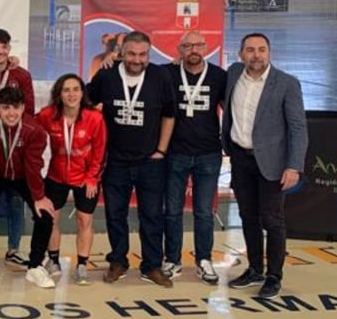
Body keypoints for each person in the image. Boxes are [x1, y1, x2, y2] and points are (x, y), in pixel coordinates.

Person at [86, 31, 176, 287]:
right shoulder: (106, 75)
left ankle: (152, 265)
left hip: (151, 161)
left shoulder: (160, 76)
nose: (137, 60)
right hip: (115, 160)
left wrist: (161, 150)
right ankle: (118, 261)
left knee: (151, 215)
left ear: (149, 53)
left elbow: (169, 115)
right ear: (121, 53)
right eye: (132, 54)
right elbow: (86, 104)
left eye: (142, 54)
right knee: (115, 214)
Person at [223, 33, 308, 299]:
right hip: (240, 159)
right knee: (248, 217)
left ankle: (274, 276)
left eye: (261, 50)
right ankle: (255, 269)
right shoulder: (233, 74)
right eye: (250, 50)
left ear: (269, 53)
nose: (256, 55)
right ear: (240, 54)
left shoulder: (286, 84)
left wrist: (294, 166)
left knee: (272, 220)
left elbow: (297, 128)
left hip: (272, 163)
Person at [0, 87, 56, 288]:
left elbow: (34, 166)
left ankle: (35, 267)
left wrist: (39, 197)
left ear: (23, 108)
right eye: (5, 108)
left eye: (16, 107)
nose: (11, 113)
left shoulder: (35, 130)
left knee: (45, 216)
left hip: (24, 176)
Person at [162, 30, 227, 285]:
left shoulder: (219, 76)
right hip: (176, 152)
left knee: (203, 211)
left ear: (206, 46)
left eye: (197, 45)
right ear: (179, 50)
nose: (193, 50)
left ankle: (204, 259)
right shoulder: (168, 73)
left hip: (209, 153)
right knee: (173, 211)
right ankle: (173, 259)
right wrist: (113, 57)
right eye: (187, 46)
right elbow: (141, 69)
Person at [36, 74, 106, 285]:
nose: (71, 94)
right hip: (56, 175)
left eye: (76, 89)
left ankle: (82, 265)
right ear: (59, 94)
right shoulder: (48, 115)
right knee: (52, 219)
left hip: (85, 177)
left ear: (82, 93)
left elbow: (100, 150)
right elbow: (26, 124)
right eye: (66, 90)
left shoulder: (94, 117)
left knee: (84, 220)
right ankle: (54, 260)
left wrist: (92, 177)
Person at [0, 28, 36, 268]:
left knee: (15, 200)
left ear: (9, 49)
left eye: (4, 47)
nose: (0, 51)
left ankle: (14, 248)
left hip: (15, 147)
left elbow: (29, 109)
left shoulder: (21, 74)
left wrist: (8, 112)